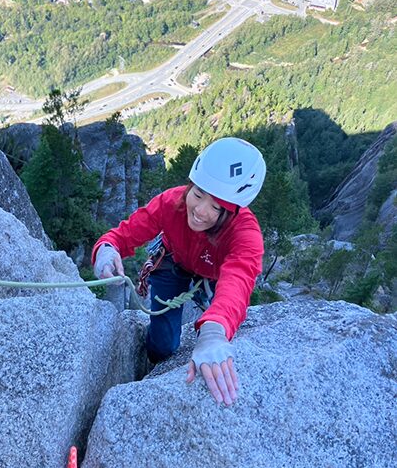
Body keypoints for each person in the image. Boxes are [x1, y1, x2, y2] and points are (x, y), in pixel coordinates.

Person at [92, 137, 266, 407]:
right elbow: (125, 233)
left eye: (216, 207)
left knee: (218, 324)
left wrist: (214, 331)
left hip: (214, 277)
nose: (200, 211)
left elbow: (238, 282)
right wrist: (106, 248)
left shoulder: (245, 234)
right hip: (173, 264)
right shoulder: (172, 202)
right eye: (198, 194)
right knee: (162, 346)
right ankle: (153, 366)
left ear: (233, 210)